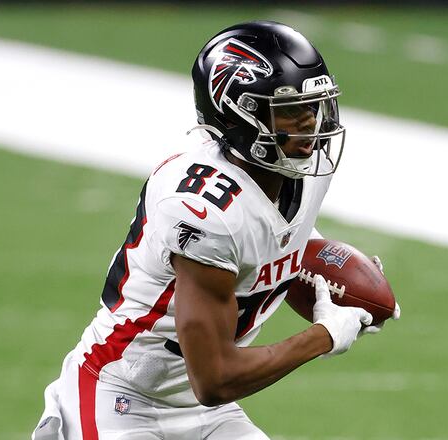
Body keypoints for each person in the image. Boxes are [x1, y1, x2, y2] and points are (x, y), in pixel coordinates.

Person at [33, 21, 399, 440]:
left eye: (314, 106)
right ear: (239, 115)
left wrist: (331, 274)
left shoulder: (304, 171)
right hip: (121, 395)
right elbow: (214, 379)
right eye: (290, 110)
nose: (311, 125)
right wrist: (324, 335)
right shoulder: (204, 208)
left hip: (203, 410)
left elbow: (274, 235)